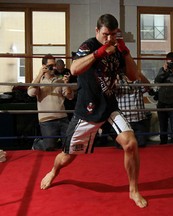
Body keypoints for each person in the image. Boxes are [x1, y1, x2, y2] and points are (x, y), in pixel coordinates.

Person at [40, 14, 147, 208]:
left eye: (113, 35)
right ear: (97, 31)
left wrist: (125, 52)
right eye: (105, 34)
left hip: (110, 108)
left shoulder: (117, 48)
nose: (109, 39)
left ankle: (133, 190)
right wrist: (100, 53)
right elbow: (74, 69)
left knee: (130, 144)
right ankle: (54, 172)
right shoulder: (87, 46)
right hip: (87, 112)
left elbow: (133, 76)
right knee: (67, 156)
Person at [27, 54, 74, 151]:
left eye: (54, 65)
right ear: (44, 66)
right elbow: (31, 93)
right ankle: (37, 143)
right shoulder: (38, 81)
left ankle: (59, 143)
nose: (54, 67)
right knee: (49, 147)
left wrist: (67, 84)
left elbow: (70, 97)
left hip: (62, 118)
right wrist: (40, 74)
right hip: (47, 119)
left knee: (70, 144)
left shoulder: (60, 80)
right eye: (50, 66)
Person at [115, 73, 151, 148]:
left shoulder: (138, 81)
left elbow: (148, 86)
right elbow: (112, 89)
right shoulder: (119, 82)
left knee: (141, 146)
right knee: (123, 147)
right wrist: (117, 77)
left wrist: (138, 73)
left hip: (139, 120)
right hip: (124, 121)